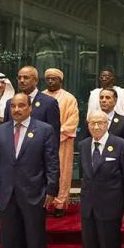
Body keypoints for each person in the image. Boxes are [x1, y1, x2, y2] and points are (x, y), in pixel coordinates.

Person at [0, 92, 60, 248]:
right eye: (13, 106)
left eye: (21, 105)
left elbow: (52, 163)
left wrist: (51, 189)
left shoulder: (44, 130)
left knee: (35, 239)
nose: (17, 109)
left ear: (30, 108)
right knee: (8, 240)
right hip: (6, 194)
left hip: (35, 193)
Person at [77, 110, 124, 248]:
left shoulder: (120, 145)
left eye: (100, 123)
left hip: (111, 205)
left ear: (107, 124)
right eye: (92, 123)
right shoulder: (84, 145)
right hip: (88, 206)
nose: (96, 127)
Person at [42, 68, 78, 217]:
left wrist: (56, 134)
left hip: (63, 141)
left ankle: (60, 203)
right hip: (42, 142)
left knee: (63, 171)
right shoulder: (40, 97)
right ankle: (43, 202)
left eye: (54, 78)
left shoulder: (69, 98)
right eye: (48, 78)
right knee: (42, 171)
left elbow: (73, 120)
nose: (50, 81)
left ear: (60, 81)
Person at [16, 66, 61, 136]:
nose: (21, 80)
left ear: (36, 81)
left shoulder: (49, 103)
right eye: (19, 78)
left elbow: (53, 135)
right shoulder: (10, 103)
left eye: (26, 78)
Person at [96, 88, 124, 161]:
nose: (103, 100)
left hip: (116, 168)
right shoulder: (91, 121)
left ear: (115, 101)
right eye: (101, 97)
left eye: (107, 98)